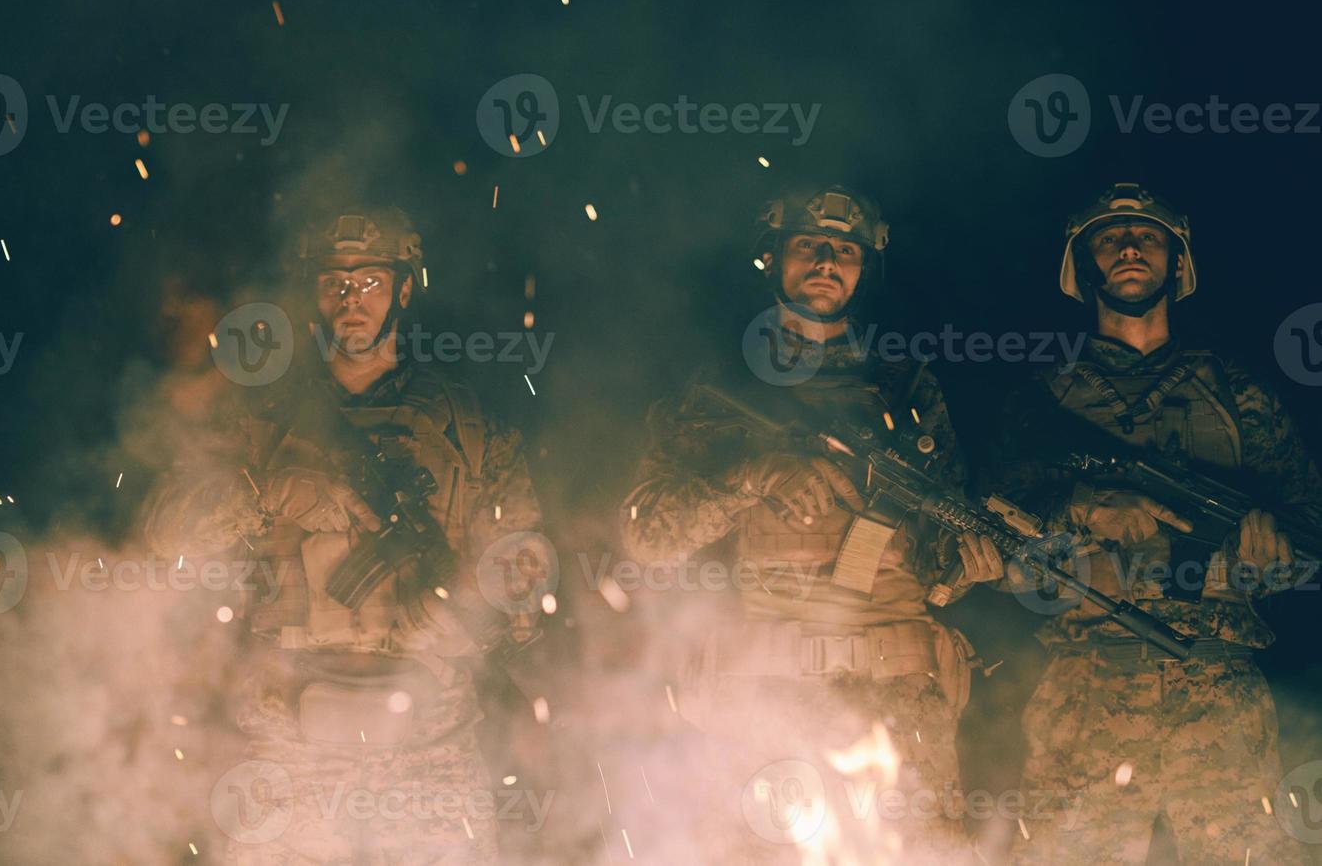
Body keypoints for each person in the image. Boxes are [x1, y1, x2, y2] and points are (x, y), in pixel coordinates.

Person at [143, 206, 546, 864]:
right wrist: (266, 490)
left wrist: (459, 608)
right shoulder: (257, 421)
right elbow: (166, 534)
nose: (349, 301)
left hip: (430, 746)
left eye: (369, 283)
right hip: (287, 741)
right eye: (334, 282)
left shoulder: (466, 427)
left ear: (404, 289)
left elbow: (525, 574)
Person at [621, 187, 1002, 862]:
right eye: (809, 245)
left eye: (846, 251)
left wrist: (970, 564)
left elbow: (941, 552)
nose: (828, 261)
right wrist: (752, 477)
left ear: (864, 270)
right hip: (766, 702)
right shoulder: (719, 393)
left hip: (899, 700)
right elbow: (647, 536)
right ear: (772, 258)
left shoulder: (905, 388)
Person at [991, 182, 1322, 863]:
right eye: (1110, 239)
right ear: (1085, 267)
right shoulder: (1044, 400)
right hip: (1087, 687)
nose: (1131, 248)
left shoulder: (1236, 392)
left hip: (1219, 692)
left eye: (1149, 238)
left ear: (1177, 263)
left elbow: (1307, 527)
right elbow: (991, 548)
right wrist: (1081, 506)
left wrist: (1271, 556)